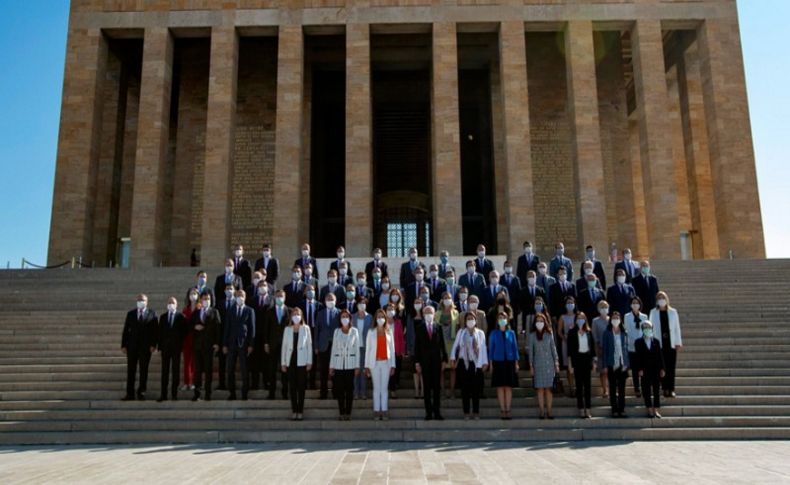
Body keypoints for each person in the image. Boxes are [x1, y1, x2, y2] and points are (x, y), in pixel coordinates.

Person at [450, 311, 488, 420]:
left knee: (476, 390)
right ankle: (466, 412)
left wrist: (485, 362)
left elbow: (483, 348)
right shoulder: (461, 332)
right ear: (465, 321)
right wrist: (452, 358)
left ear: (475, 321)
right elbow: (455, 346)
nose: (470, 321)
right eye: (468, 319)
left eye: (472, 319)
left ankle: (476, 412)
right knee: (465, 390)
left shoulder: (480, 333)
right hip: (463, 363)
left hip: (476, 364)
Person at [413, 305, 447, 420]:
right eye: (426, 312)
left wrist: (444, 359)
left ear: (434, 314)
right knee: (426, 388)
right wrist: (417, 362)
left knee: (436, 388)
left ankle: (437, 412)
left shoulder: (438, 326)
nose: (429, 315)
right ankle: (428, 413)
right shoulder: (419, 327)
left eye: (430, 312)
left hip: (436, 361)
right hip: (424, 362)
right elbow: (416, 346)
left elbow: (442, 344)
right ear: (423, 314)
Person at [121, 294, 157, 401]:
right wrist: (124, 345)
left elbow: (155, 331)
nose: (141, 301)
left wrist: (153, 345)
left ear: (147, 302)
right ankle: (130, 394)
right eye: (139, 300)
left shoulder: (152, 314)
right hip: (132, 347)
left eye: (143, 300)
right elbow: (126, 330)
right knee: (131, 370)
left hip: (145, 348)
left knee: (143, 370)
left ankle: (141, 392)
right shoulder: (131, 314)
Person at [281, 308, 313, 421]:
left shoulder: (306, 328)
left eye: (298, 314)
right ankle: (294, 410)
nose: (296, 316)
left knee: (301, 387)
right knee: (292, 387)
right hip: (291, 361)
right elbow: (284, 346)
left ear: (301, 316)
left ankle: (300, 411)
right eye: (294, 314)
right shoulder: (287, 329)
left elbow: (309, 345)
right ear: (291, 316)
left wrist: (310, 361)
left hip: (302, 361)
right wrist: (283, 362)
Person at [649, 291, 683, 398]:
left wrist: (678, 342)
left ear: (667, 299)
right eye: (659, 298)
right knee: (661, 367)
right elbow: (650, 328)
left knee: (671, 367)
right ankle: (664, 388)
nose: (661, 300)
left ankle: (671, 388)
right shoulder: (653, 312)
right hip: (659, 344)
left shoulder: (673, 312)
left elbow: (677, 328)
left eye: (663, 298)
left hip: (670, 343)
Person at [223, 289, 255, 401]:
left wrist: (251, 344)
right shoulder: (230, 310)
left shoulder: (249, 310)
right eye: (238, 295)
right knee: (230, 369)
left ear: (245, 297)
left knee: (244, 369)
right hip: (232, 344)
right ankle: (232, 393)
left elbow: (252, 329)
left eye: (242, 295)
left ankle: (244, 393)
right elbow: (227, 327)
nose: (240, 297)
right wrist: (225, 344)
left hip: (244, 344)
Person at [329, 310, 361, 420]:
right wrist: (331, 366)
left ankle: (348, 413)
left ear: (350, 318)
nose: (345, 318)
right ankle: (341, 412)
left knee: (349, 390)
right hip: (338, 365)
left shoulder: (354, 331)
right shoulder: (336, 331)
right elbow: (333, 349)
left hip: (350, 365)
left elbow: (357, 349)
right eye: (343, 316)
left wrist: (357, 366)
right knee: (340, 390)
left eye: (347, 316)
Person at [365, 309, 396, 420]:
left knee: (384, 388)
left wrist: (393, 365)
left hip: (386, 363)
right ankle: (376, 411)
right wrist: (366, 366)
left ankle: (384, 410)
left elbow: (392, 350)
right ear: (375, 319)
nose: (380, 319)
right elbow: (368, 349)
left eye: (382, 317)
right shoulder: (371, 332)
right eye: (378, 317)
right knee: (376, 388)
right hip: (374, 363)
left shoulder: (389, 332)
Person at [488, 311, 519, 420]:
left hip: (509, 361)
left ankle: (508, 409)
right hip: (498, 361)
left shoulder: (511, 333)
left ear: (507, 320)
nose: (502, 319)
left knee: (508, 387)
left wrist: (516, 362)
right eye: (500, 317)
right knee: (500, 386)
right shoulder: (493, 333)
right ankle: (502, 409)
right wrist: (491, 363)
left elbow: (515, 348)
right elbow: (491, 349)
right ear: (497, 320)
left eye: (504, 317)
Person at [528, 313, 560, 419]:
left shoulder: (549, 333)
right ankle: (542, 411)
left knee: (549, 389)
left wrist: (556, 362)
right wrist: (531, 366)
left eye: (542, 321)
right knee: (540, 389)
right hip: (538, 364)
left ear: (545, 322)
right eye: (538, 321)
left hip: (549, 364)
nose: (540, 323)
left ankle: (549, 411)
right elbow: (531, 352)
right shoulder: (532, 335)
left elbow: (553, 348)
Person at [191, 292, 221, 401]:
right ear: (200, 300)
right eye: (204, 298)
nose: (206, 300)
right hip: (198, 345)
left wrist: (217, 343)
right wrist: (195, 327)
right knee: (197, 370)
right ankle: (197, 393)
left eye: (208, 299)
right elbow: (190, 325)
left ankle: (208, 393)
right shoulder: (197, 312)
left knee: (208, 370)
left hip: (209, 345)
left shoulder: (214, 312)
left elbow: (218, 328)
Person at [157, 297, 187, 402]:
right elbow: (159, 332)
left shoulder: (181, 317)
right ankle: (163, 394)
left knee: (175, 371)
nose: (171, 304)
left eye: (173, 303)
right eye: (169, 302)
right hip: (165, 348)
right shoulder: (163, 317)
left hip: (176, 348)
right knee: (164, 371)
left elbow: (184, 332)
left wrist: (181, 345)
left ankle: (174, 394)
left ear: (176, 304)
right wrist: (159, 346)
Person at [634, 320, 666, 418]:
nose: (647, 329)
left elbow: (660, 356)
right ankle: (649, 409)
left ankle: (656, 409)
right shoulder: (638, 342)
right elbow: (637, 357)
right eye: (645, 327)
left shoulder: (656, 341)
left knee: (656, 390)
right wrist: (639, 369)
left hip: (655, 369)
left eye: (649, 327)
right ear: (642, 329)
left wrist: (662, 369)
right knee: (646, 390)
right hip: (644, 369)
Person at [567, 312, 596, 418]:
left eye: (582, 318)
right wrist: (570, 364)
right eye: (578, 318)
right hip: (577, 361)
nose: (580, 320)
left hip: (586, 360)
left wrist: (594, 362)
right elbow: (569, 350)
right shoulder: (572, 332)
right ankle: (581, 409)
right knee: (579, 386)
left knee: (587, 386)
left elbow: (592, 349)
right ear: (575, 320)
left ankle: (588, 409)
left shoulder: (589, 331)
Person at [602, 311, 630, 417]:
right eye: (614, 317)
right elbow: (605, 350)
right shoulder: (607, 332)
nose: (616, 319)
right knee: (613, 388)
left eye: (617, 317)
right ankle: (614, 409)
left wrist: (627, 364)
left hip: (622, 364)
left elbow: (626, 348)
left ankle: (622, 409)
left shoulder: (624, 332)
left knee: (622, 389)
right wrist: (604, 365)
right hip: (611, 364)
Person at [264, 290, 290, 400]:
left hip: (285, 345)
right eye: (278, 296)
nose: (279, 298)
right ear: (274, 297)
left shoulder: (289, 311)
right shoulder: (269, 311)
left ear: (285, 297)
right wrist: (266, 343)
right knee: (272, 369)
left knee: (285, 369)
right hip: (273, 344)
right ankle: (272, 393)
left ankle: (285, 392)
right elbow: (266, 329)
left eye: (281, 296)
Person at [315, 292, 340, 400]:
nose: (330, 301)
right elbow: (317, 330)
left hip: (336, 346)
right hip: (323, 346)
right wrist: (316, 346)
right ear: (324, 301)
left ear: (335, 301)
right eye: (328, 299)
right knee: (323, 371)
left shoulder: (339, 313)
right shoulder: (320, 313)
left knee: (335, 370)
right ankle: (323, 393)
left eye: (332, 299)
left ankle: (335, 392)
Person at [436, 292, 459, 398]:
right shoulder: (438, 313)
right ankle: (443, 391)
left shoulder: (456, 313)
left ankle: (452, 390)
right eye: (445, 298)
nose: (447, 300)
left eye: (449, 298)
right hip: (441, 344)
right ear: (442, 300)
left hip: (453, 344)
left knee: (453, 368)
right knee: (441, 368)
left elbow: (458, 327)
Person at [624, 296, 648, 397]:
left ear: (640, 304)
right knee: (634, 369)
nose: (635, 305)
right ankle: (636, 388)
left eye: (637, 303)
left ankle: (644, 387)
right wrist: (634, 341)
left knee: (643, 368)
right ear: (630, 304)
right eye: (633, 303)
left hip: (642, 346)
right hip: (632, 346)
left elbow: (645, 330)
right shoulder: (627, 316)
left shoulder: (644, 317)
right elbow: (627, 330)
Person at [406, 296, 426, 398]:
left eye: (419, 302)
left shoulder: (425, 316)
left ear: (423, 304)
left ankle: (423, 391)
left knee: (422, 370)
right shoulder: (410, 317)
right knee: (415, 370)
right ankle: (416, 391)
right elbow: (409, 333)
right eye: (415, 302)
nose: (417, 304)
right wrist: (408, 348)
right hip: (413, 347)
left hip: (424, 348)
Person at [352, 298, 372, 399]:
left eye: (364, 303)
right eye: (360, 303)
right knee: (356, 371)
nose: (362, 305)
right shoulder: (353, 317)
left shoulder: (370, 317)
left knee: (364, 371)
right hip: (355, 347)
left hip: (366, 347)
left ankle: (363, 393)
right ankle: (355, 392)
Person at [557, 295, 578, 395]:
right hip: (566, 343)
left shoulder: (578, 315)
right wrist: (564, 338)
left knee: (576, 366)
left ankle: (578, 386)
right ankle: (571, 387)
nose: (570, 304)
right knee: (568, 366)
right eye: (568, 303)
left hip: (577, 343)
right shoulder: (562, 317)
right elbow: (559, 331)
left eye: (572, 302)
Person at [180, 288, 199, 392]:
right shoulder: (185, 309)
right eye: (191, 293)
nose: (193, 295)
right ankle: (186, 382)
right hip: (187, 338)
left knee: (195, 362)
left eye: (195, 293)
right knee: (187, 362)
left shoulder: (199, 308)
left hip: (197, 338)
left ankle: (193, 382)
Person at [386, 303, 406, 398]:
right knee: (390, 370)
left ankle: (394, 385)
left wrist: (402, 350)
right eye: (388, 309)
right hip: (385, 351)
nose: (390, 311)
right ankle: (392, 389)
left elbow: (401, 337)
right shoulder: (382, 322)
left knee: (397, 370)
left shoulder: (398, 322)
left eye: (392, 309)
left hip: (396, 350)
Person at [592, 300, 611, 398]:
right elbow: (594, 335)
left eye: (605, 307)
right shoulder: (595, 321)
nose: (604, 309)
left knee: (611, 372)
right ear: (599, 309)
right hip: (600, 348)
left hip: (611, 349)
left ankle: (611, 390)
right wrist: (597, 347)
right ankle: (605, 390)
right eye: (602, 307)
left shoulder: (611, 319)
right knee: (603, 371)